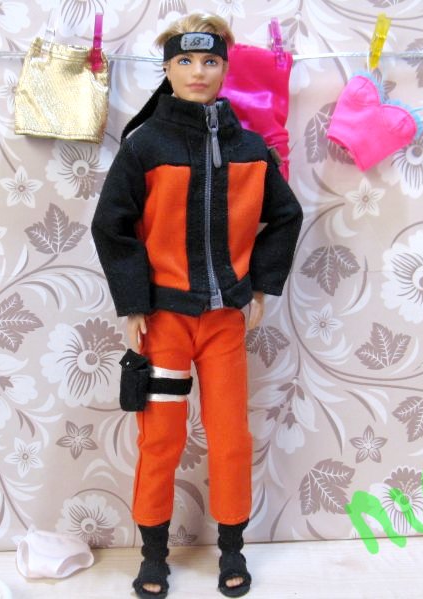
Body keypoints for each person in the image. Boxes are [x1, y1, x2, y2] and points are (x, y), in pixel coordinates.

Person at [91, 13, 302, 599]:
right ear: (167, 69)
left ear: (225, 69)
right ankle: (153, 554)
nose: (198, 72)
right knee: (161, 437)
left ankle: (232, 546)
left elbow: (285, 216)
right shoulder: (145, 146)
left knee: (231, 435)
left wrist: (260, 286)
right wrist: (133, 301)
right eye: (184, 61)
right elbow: (112, 225)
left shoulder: (251, 149)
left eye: (210, 61)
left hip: (224, 323)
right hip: (164, 323)